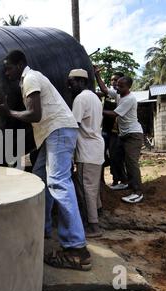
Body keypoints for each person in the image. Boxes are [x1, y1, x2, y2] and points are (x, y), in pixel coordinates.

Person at [0, 50, 91, 271]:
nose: (6, 72)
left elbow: (34, 115)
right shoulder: (29, 79)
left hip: (58, 130)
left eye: (8, 67)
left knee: (58, 182)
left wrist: (8, 112)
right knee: (40, 179)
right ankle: (42, 227)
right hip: (52, 133)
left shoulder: (30, 78)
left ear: (20, 65)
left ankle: (76, 250)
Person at [96, 70, 144, 204]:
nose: (117, 87)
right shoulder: (119, 94)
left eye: (121, 86)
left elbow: (113, 114)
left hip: (133, 135)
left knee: (131, 163)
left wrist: (96, 108)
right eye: (117, 85)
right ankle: (125, 182)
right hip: (123, 135)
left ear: (129, 87)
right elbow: (104, 89)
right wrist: (97, 74)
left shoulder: (129, 99)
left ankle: (137, 192)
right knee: (116, 158)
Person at [68, 69, 105, 238]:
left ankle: (93, 226)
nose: (70, 85)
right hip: (96, 149)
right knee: (93, 187)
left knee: (86, 189)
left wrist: (69, 153)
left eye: (72, 82)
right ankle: (97, 214)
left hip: (87, 152)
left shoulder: (80, 99)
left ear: (82, 81)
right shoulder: (95, 98)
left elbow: (73, 127)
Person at [95, 68, 128, 190]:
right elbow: (102, 90)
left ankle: (117, 180)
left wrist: (99, 110)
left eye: (116, 80)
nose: (113, 82)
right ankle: (102, 181)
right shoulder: (108, 93)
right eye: (112, 80)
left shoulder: (123, 96)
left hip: (116, 131)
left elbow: (115, 114)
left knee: (116, 156)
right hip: (105, 130)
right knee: (101, 156)